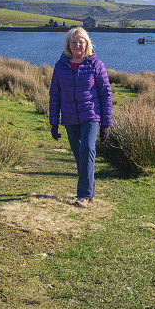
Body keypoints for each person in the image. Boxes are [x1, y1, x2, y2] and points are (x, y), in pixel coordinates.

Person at [49, 27, 112, 208]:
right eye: (74, 42)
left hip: (91, 114)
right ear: (68, 45)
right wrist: (54, 122)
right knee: (80, 155)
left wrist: (106, 123)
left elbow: (106, 94)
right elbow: (55, 94)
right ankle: (89, 190)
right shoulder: (60, 66)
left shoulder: (95, 64)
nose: (78, 45)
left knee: (87, 149)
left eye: (81, 42)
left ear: (87, 44)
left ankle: (83, 196)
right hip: (69, 117)